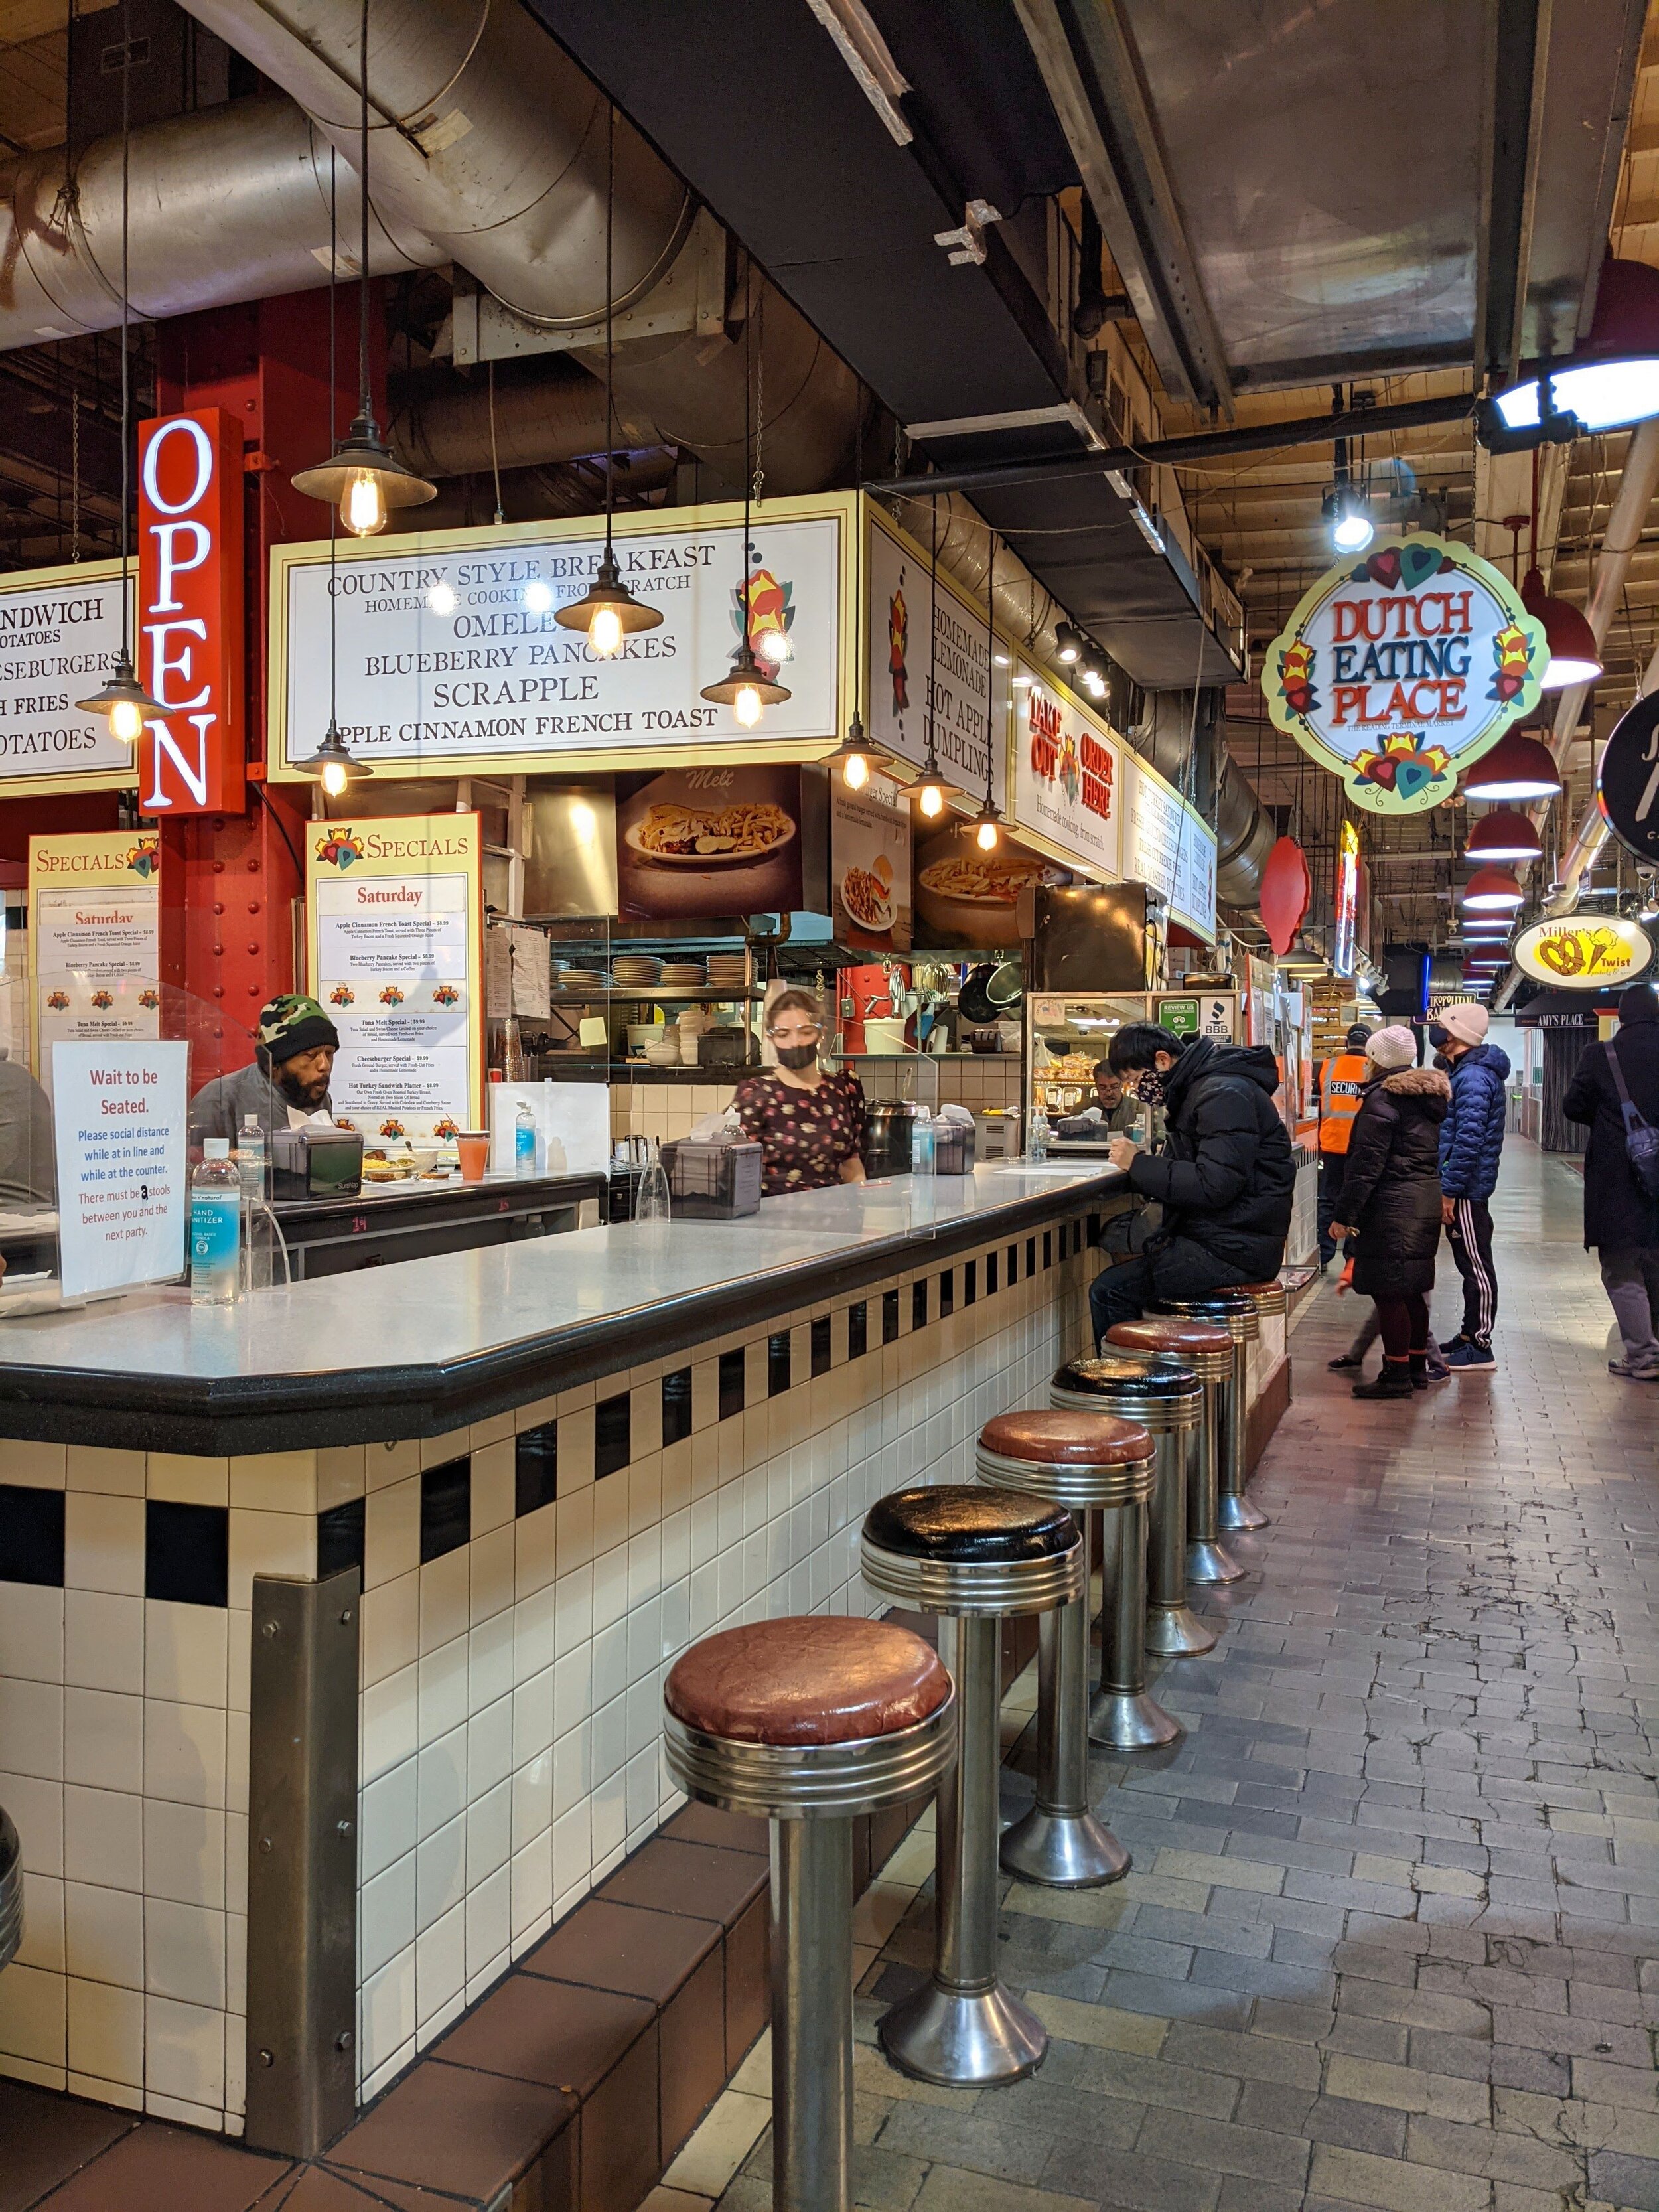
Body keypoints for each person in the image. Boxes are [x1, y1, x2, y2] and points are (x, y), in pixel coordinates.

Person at [1089, 1022, 1295, 1343]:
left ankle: (1142, 1386)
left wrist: (1138, 1165)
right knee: (1119, 1241)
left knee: (1109, 1291)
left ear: (1161, 1060)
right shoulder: (1206, 1088)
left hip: (1234, 1249)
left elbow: (1214, 1185)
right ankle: (1158, 1373)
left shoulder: (1222, 1094)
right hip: (1228, 1237)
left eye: (1135, 1079)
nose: (1137, 1089)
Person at [1327, 1026, 1450, 1399]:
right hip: (1422, 1200)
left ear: (1378, 1060)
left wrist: (1344, 1216)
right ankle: (1415, 1369)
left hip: (1391, 1205)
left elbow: (1365, 1166)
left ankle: (1396, 1374)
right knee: (1412, 1290)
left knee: (1389, 1293)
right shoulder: (1426, 1097)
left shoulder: (1383, 1099)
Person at [1563, 980, 1659, 1379]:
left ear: (1620, 1016)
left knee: (1621, 1265)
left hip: (1618, 1175)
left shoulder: (1602, 1054)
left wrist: (1612, 1125)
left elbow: (1573, 1107)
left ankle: (1644, 1356)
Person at [1430, 1000, 1509, 1372]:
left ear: (1457, 1033)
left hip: (1467, 1190)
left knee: (1477, 1266)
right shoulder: (1464, 1072)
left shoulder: (1475, 1078)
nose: (1437, 1032)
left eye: (1444, 1026)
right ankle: (1468, 1335)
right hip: (1464, 1187)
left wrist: (1449, 1189)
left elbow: (1468, 1142)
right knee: (1468, 1264)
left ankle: (1481, 1345)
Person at [733, 988, 867, 1195]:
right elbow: (738, 1172)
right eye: (783, 1034)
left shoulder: (843, 1088)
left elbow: (851, 1162)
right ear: (771, 1038)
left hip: (838, 1214)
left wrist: (863, 1204)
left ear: (821, 1034)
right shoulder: (756, 1094)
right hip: (776, 1218)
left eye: (805, 1032)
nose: (795, 1042)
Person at [188, 993, 339, 1147]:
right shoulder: (219, 1101)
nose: (325, 1065)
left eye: (329, 1053)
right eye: (310, 1055)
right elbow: (198, 1167)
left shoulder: (319, 1098)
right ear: (275, 1062)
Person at [1317, 1023, 1370, 1266]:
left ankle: (1324, 1254)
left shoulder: (1328, 1066)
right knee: (1358, 1201)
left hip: (1331, 1143)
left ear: (1347, 1043)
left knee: (1329, 1200)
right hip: (1362, 1146)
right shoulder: (1372, 1068)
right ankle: (1352, 1256)